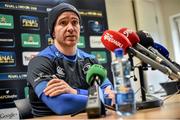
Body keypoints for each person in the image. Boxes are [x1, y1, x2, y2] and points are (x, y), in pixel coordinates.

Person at [27, 2, 114, 117]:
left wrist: (74, 92)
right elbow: (61, 104)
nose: (70, 28)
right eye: (63, 23)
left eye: (75, 22)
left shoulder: (91, 61)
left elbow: (111, 97)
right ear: (53, 31)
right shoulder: (40, 61)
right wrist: (98, 97)